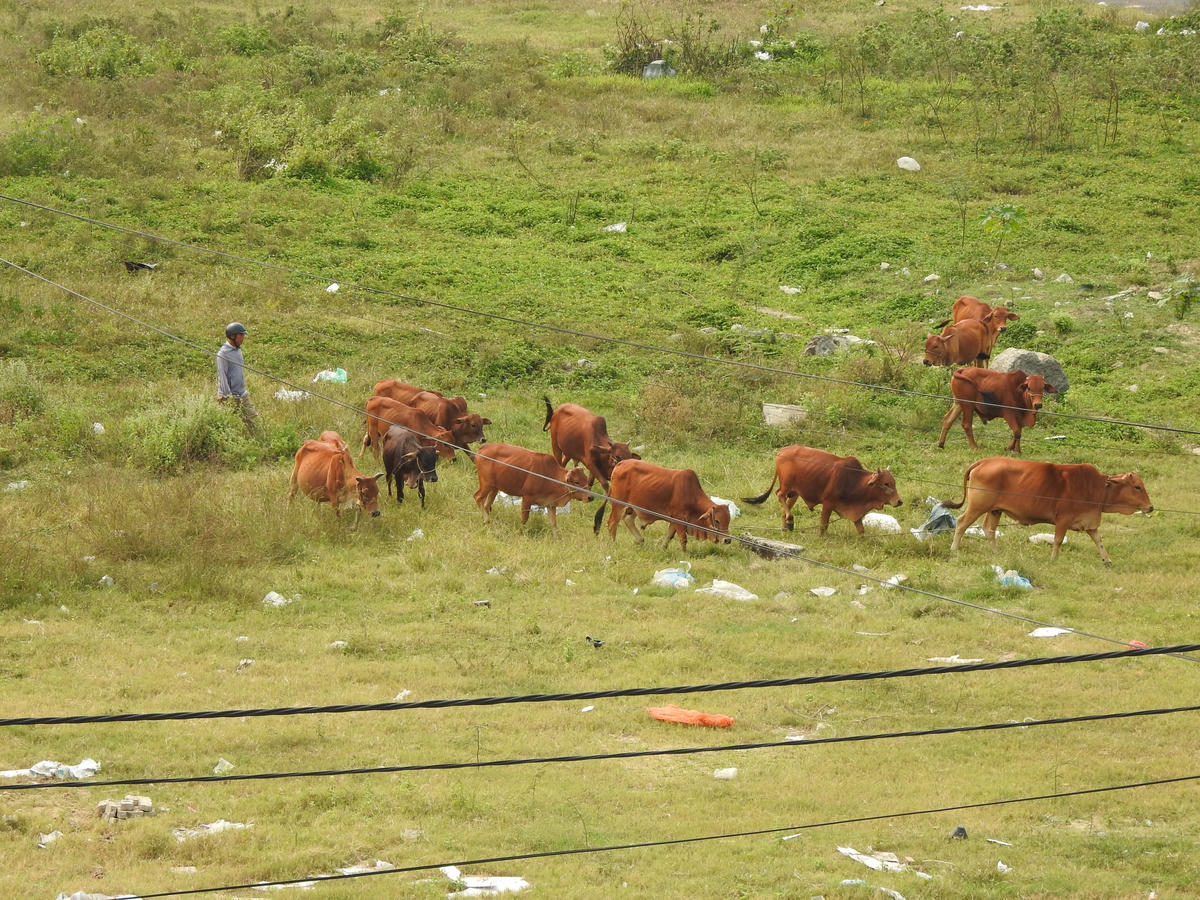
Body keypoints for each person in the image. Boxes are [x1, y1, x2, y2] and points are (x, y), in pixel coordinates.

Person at [216, 322, 258, 432]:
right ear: (232, 336)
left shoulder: (238, 350)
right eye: (241, 335)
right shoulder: (223, 354)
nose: (243, 338)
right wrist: (226, 396)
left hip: (242, 394)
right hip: (228, 397)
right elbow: (222, 376)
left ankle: (261, 441)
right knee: (224, 428)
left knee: (254, 421)